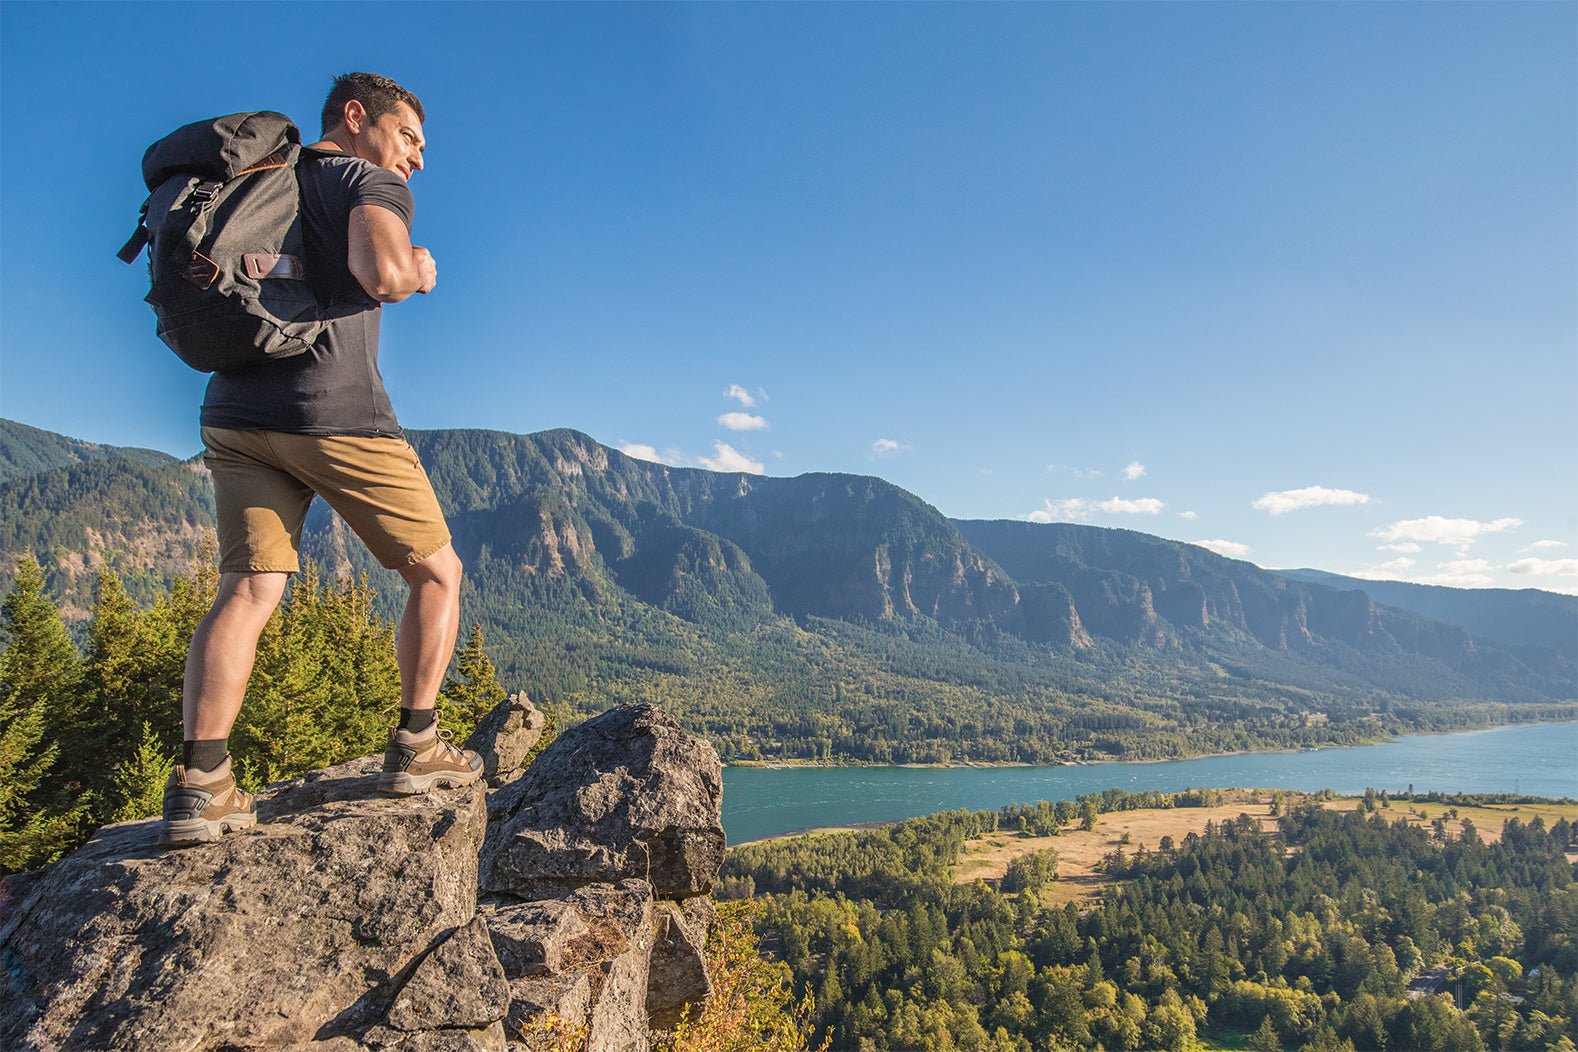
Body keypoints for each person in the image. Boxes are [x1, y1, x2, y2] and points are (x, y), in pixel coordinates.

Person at [159, 73, 481, 848]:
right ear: (357, 116)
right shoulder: (364, 178)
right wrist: (422, 267)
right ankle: (416, 744)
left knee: (247, 589)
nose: (418, 160)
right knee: (439, 574)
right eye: (410, 137)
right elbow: (384, 273)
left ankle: (202, 785)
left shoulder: (259, 180)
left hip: (234, 412)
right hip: (333, 416)